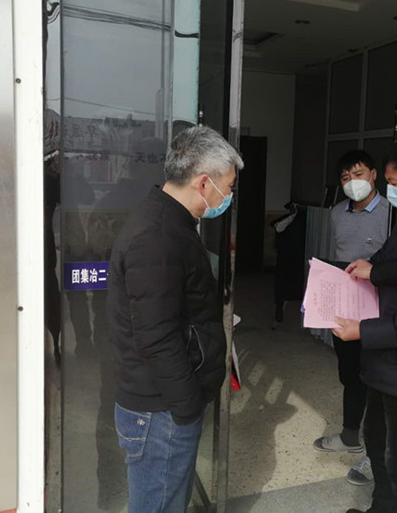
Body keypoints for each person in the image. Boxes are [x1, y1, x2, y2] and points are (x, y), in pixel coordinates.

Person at [107, 126, 244, 512]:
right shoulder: (158, 236)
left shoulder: (171, 223)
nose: (229, 196)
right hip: (161, 411)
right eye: (228, 187)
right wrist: (186, 407)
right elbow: (156, 335)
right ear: (203, 183)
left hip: (164, 405)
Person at [334, 136, 397, 513]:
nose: (392, 191)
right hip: (384, 361)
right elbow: (387, 263)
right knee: (376, 442)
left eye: (394, 183)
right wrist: (368, 268)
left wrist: (362, 330)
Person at [313, 150, 390, 486]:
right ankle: (349, 435)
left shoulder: (392, 213)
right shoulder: (336, 213)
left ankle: (376, 453)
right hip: (344, 305)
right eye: (345, 178)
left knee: (377, 377)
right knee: (349, 372)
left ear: (373, 175)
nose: (352, 182)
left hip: (377, 307)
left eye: (358, 174)